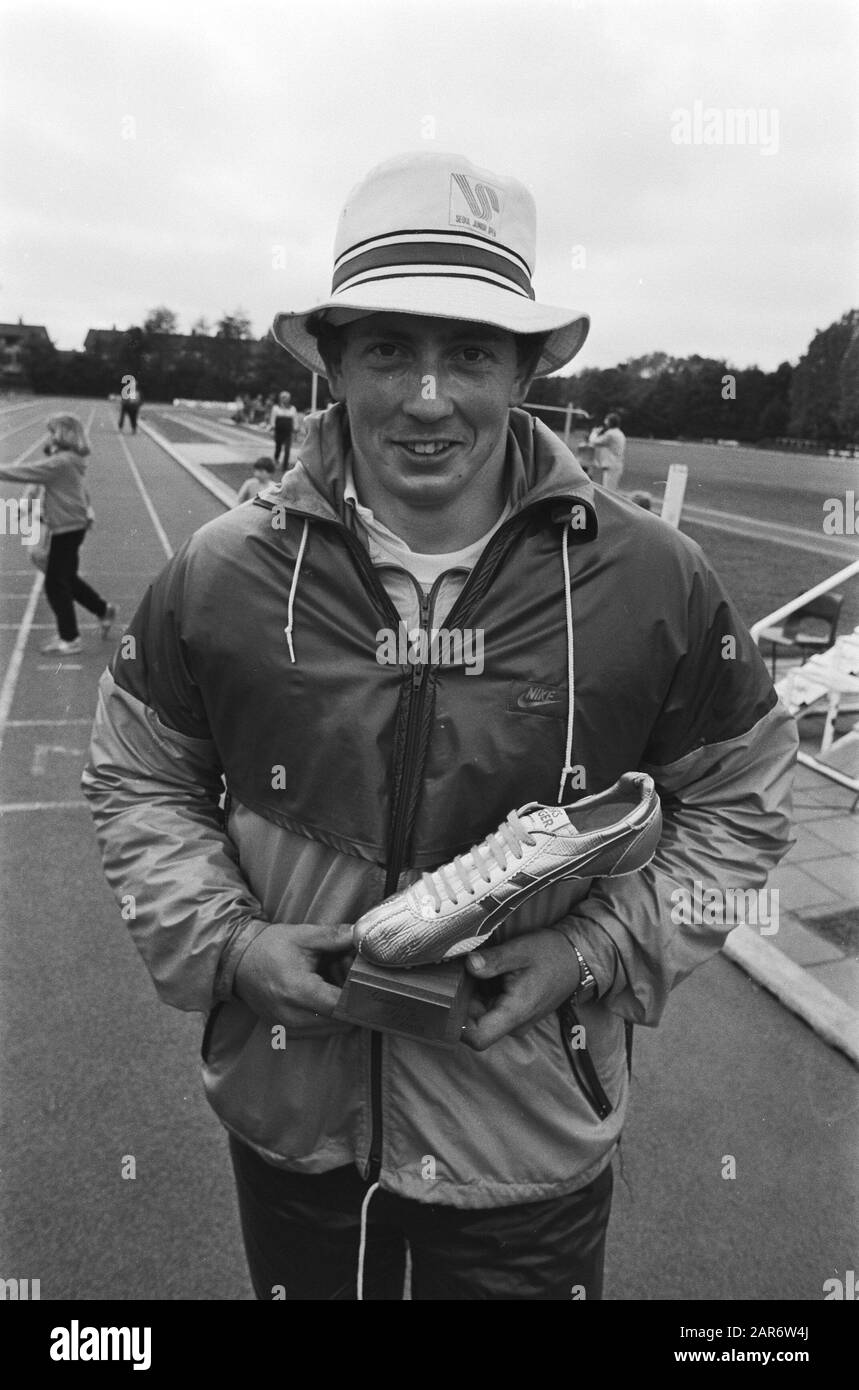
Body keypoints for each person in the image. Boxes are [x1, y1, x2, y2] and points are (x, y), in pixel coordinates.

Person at [82, 152, 796, 1301]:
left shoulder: (657, 580)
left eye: (467, 351)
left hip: (527, 1155)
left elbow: (746, 811)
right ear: (331, 364)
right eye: (388, 349)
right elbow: (138, 777)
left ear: (523, 369)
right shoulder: (220, 574)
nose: (426, 396)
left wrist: (588, 951)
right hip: (292, 1125)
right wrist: (228, 944)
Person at [0, 413, 116, 654]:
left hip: (67, 528)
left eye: (53, 432)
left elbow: (25, 472)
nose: (49, 437)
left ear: (64, 434)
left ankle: (70, 638)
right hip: (71, 525)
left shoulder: (61, 462)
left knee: (55, 584)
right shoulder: (71, 459)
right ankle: (103, 610)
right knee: (67, 579)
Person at [587, 412, 626, 490]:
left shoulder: (610, 434)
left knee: (609, 491)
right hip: (616, 464)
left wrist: (594, 433)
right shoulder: (619, 433)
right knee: (611, 489)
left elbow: (593, 441)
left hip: (612, 465)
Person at [269, 390, 299, 469]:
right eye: (283, 398)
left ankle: (285, 466)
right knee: (278, 447)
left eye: (286, 398)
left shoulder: (292, 408)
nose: (284, 399)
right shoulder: (276, 408)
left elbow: (295, 420)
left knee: (287, 449)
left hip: (288, 432)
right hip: (279, 431)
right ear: (280, 399)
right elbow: (273, 419)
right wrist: (272, 429)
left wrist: (295, 430)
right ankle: (276, 459)